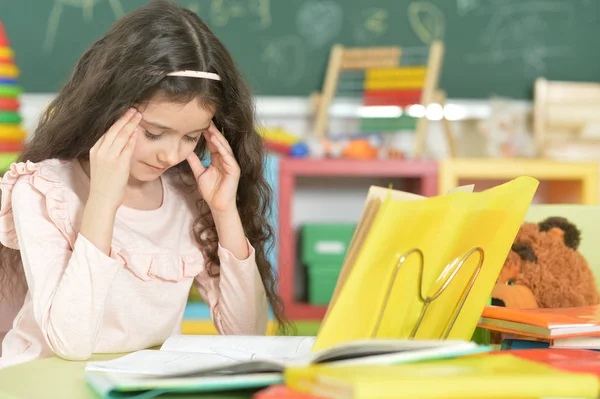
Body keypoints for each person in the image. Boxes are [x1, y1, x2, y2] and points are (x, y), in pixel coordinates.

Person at [0, 0, 288, 369]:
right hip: (43, 379)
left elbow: (246, 332)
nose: (170, 155)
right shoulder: (43, 190)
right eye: (154, 133)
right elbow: (70, 343)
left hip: (136, 382)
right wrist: (104, 198)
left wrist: (224, 212)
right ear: (108, 110)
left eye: (191, 137)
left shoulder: (188, 194)